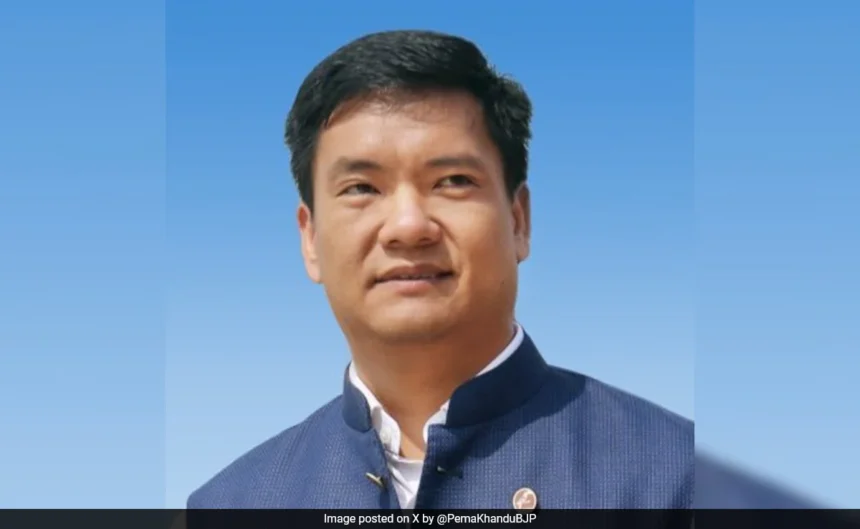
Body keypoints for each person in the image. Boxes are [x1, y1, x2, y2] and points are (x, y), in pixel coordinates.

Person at [186, 29, 804, 511]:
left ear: (518, 220)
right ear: (310, 238)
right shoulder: (230, 505)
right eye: (362, 188)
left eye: (453, 180)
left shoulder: (675, 482)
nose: (408, 226)